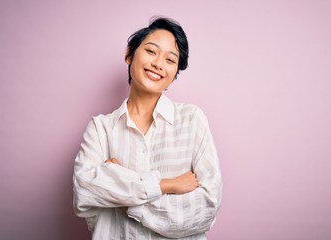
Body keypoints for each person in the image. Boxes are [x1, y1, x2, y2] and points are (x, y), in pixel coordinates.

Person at [73, 17, 222, 240]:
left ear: (174, 74)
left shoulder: (192, 120)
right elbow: (84, 191)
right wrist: (166, 185)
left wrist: (125, 199)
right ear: (129, 54)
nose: (158, 64)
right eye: (151, 51)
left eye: (170, 60)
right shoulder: (100, 128)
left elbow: (205, 209)